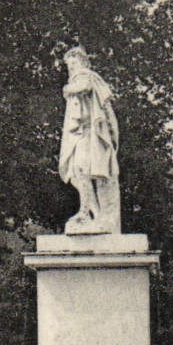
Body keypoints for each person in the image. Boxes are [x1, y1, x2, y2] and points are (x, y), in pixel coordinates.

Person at [58, 46, 121, 234]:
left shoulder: (87, 77)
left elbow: (83, 86)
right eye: (69, 67)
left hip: (93, 133)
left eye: (74, 64)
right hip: (82, 134)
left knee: (93, 171)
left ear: (83, 63)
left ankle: (97, 215)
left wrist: (67, 88)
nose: (72, 70)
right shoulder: (80, 79)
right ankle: (91, 212)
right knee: (78, 172)